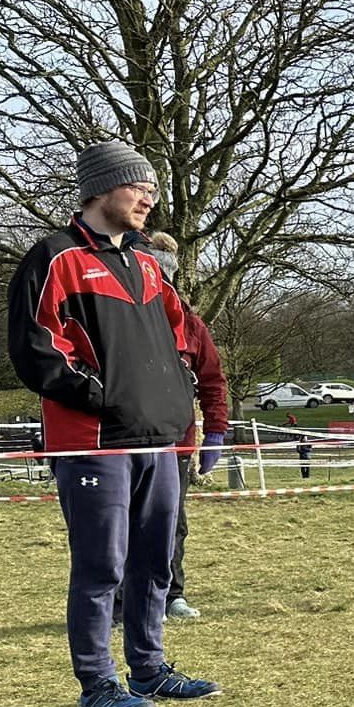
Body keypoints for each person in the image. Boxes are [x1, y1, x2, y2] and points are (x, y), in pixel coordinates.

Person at [7, 139, 221, 707]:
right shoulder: (54, 258)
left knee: (155, 563)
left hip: (161, 439)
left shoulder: (151, 264)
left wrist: (180, 407)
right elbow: (35, 351)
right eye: (139, 187)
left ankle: (149, 670)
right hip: (93, 441)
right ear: (101, 188)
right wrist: (98, 395)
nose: (149, 199)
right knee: (103, 565)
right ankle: (98, 681)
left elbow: (181, 342)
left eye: (153, 189)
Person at [144, 232, 224, 619]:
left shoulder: (191, 325)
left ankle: (170, 594)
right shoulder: (117, 319)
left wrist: (216, 432)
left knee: (171, 522)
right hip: (125, 438)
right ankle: (126, 599)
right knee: (123, 523)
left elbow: (212, 380)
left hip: (176, 441)